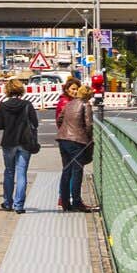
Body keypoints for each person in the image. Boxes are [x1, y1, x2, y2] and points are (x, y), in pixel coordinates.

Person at [0, 77, 40, 214]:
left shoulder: (3, 105)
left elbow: (0, 125)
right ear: (21, 89)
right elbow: (35, 123)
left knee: (9, 172)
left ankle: (7, 202)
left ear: (7, 90)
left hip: (9, 142)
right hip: (25, 142)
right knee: (22, 173)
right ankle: (19, 205)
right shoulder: (27, 105)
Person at [57, 82, 96, 212]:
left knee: (66, 170)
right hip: (77, 141)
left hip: (63, 139)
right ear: (88, 95)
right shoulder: (86, 104)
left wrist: (65, 129)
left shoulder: (69, 104)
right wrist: (89, 138)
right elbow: (89, 124)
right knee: (77, 171)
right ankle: (77, 202)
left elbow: (60, 119)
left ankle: (65, 202)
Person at [55, 76, 82, 209]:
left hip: (65, 138)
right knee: (73, 171)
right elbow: (59, 121)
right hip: (72, 140)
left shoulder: (66, 101)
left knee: (68, 170)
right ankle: (70, 199)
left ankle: (64, 199)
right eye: (72, 89)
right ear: (66, 89)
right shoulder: (66, 103)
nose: (75, 91)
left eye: (77, 89)